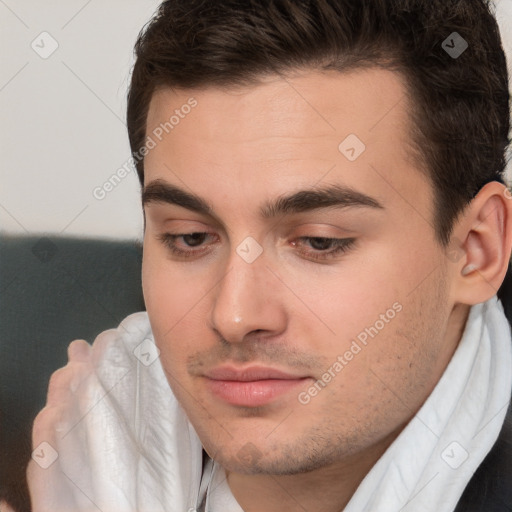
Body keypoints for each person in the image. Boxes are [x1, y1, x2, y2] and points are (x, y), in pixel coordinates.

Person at [22, 0, 512, 511]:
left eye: (320, 241)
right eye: (190, 237)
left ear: (477, 250)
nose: (233, 316)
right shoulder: (85, 439)